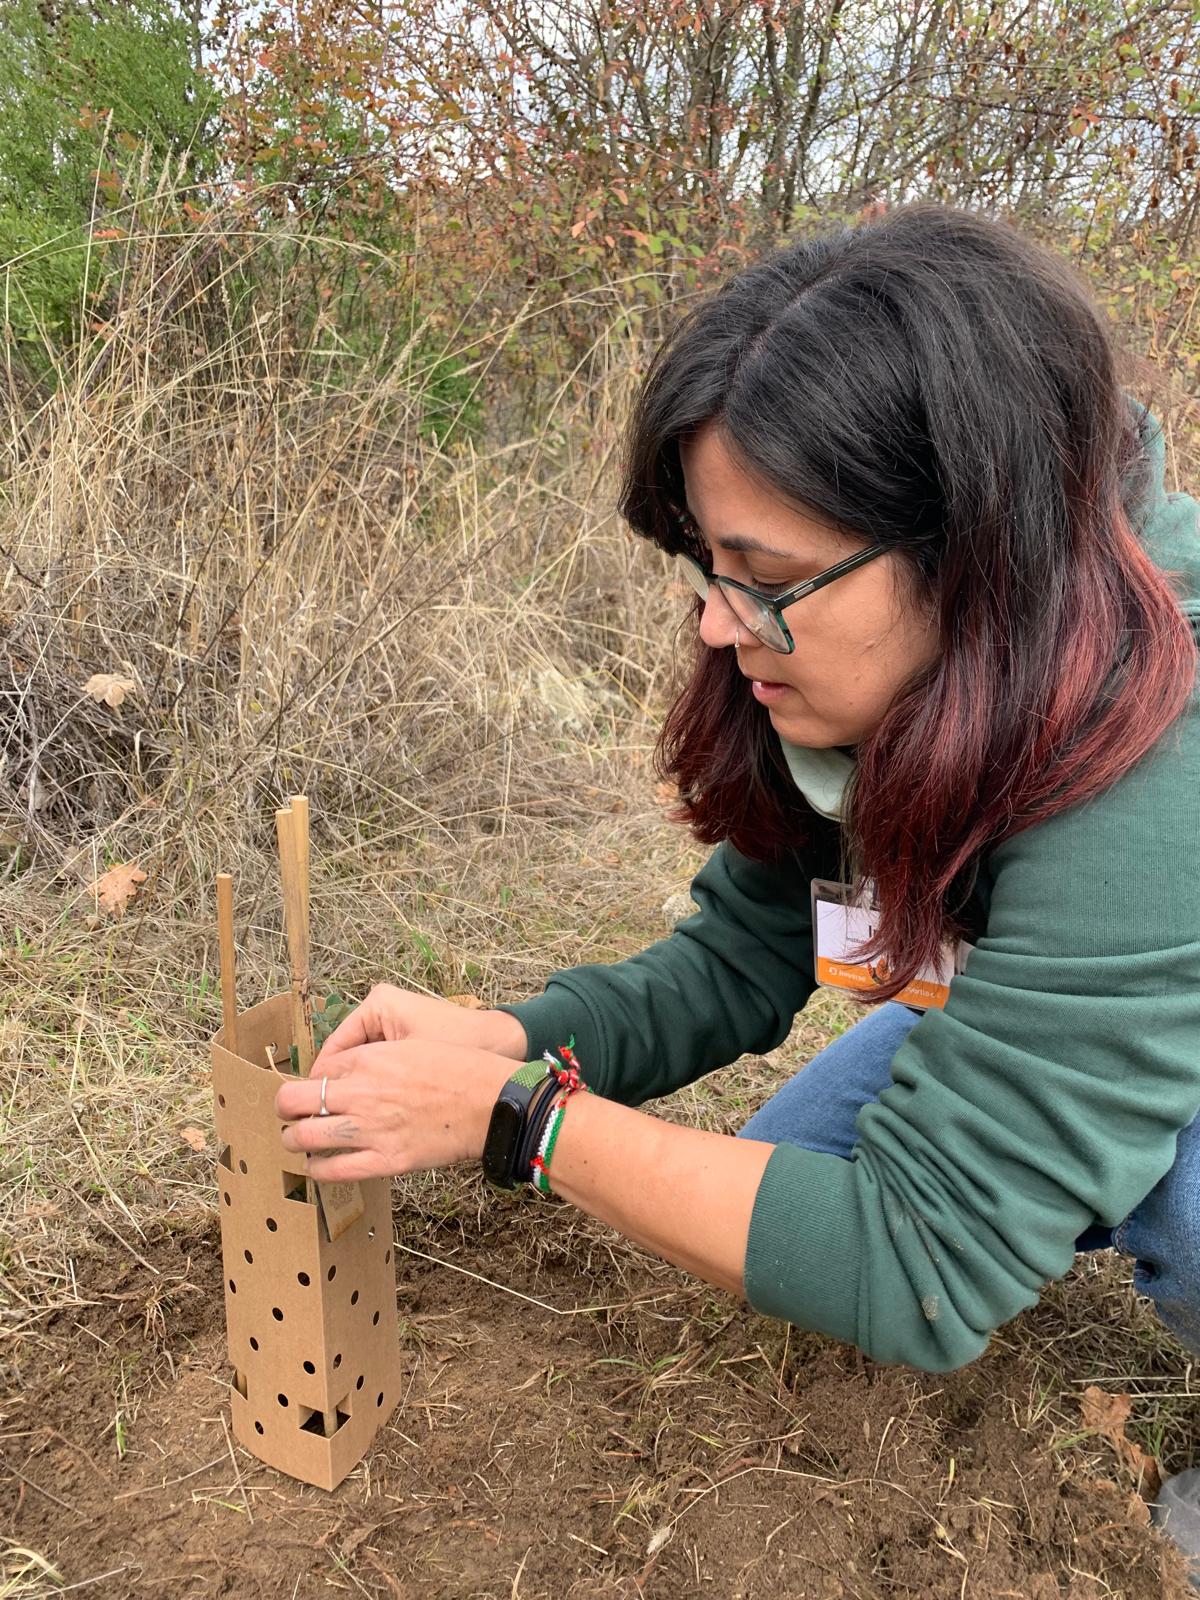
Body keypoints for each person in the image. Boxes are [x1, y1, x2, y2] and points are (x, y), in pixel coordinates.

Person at [275, 203, 1200, 1578]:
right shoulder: (881, 649)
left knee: (1012, 1220)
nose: (719, 625)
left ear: (969, 545)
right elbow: (737, 963)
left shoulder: (1154, 737)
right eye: (710, 571)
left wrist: (527, 1123)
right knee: (788, 1195)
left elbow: (918, 1264)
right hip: (1081, 984)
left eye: (764, 583)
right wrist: (510, 1042)